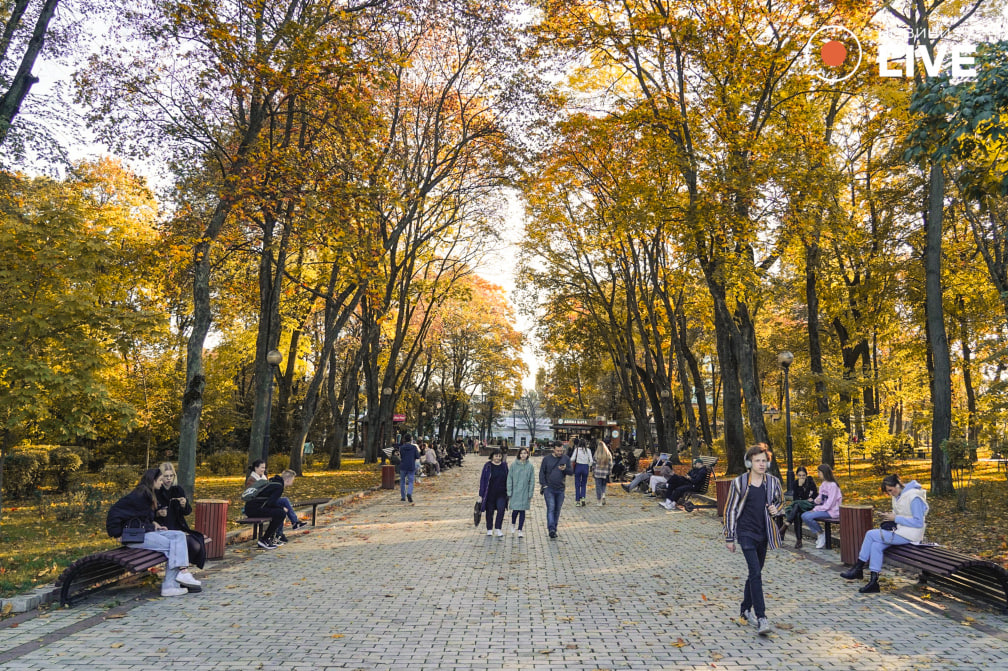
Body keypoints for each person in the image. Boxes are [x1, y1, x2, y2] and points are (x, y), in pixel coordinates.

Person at [106, 468, 201, 597]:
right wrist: (116, 533)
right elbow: (114, 512)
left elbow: (140, 516)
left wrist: (154, 524)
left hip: (145, 533)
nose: (162, 483)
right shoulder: (138, 496)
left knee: (178, 535)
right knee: (171, 545)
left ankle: (182, 573)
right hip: (135, 537)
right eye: (160, 480)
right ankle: (170, 585)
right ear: (153, 480)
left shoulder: (148, 494)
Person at [723, 444, 783, 636]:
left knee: (754, 573)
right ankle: (762, 618)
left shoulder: (773, 482)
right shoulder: (740, 483)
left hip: (763, 534)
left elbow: (780, 502)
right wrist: (730, 537)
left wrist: (776, 509)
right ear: (749, 463)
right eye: (757, 461)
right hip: (745, 533)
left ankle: (744, 609)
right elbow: (730, 509)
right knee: (756, 573)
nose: (761, 464)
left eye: (764, 461)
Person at [841, 474, 929, 593]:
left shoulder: (914, 497)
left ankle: (858, 568)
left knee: (870, 534)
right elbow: (900, 514)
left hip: (911, 535)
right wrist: (890, 519)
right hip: (900, 531)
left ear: (897, 485)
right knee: (875, 545)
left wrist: (895, 518)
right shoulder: (898, 496)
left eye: (891, 490)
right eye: (888, 492)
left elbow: (918, 522)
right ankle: (873, 582)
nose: (890, 494)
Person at [155, 461, 207, 569]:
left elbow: (187, 512)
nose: (169, 479)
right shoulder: (156, 491)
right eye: (166, 476)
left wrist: (184, 505)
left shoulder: (178, 490)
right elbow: (148, 514)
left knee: (197, 544)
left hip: (179, 525)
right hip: (163, 527)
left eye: (171, 476)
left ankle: (182, 568)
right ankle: (181, 569)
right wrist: (158, 513)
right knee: (191, 544)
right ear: (160, 477)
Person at [246, 460, 307, 531]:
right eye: (262, 468)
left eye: (264, 468)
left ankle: (295, 522)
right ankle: (280, 532)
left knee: (285, 500)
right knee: (280, 510)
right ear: (256, 468)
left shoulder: (264, 477)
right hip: (259, 504)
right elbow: (253, 493)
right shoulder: (252, 479)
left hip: (267, 500)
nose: (264, 469)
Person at [246, 469, 296, 549]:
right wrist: (282, 508)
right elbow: (270, 503)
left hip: (251, 508)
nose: (293, 482)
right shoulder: (279, 487)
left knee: (279, 513)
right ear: (288, 480)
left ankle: (270, 538)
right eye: (292, 480)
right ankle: (265, 539)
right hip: (255, 509)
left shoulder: (274, 482)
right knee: (281, 513)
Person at [800, 464, 841, 549]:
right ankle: (820, 533)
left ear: (824, 473)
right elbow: (820, 497)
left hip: (832, 511)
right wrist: (816, 500)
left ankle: (821, 534)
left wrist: (816, 509)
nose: (818, 474)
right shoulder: (823, 484)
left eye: (819, 472)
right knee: (804, 515)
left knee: (808, 516)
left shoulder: (833, 485)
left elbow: (830, 503)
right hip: (824, 509)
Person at [539, 441, 573, 538]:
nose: (560, 452)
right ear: (553, 449)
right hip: (549, 488)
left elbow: (571, 472)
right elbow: (542, 472)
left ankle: (554, 527)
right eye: (558, 451)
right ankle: (551, 529)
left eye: (561, 450)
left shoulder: (566, 459)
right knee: (551, 508)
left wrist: (565, 469)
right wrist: (544, 485)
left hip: (560, 488)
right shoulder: (546, 459)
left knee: (557, 510)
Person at [778, 466, 817, 544]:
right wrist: (799, 486)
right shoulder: (795, 483)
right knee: (797, 514)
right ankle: (799, 540)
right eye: (800, 475)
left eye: (803, 475)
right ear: (797, 475)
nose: (801, 477)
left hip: (808, 506)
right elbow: (796, 499)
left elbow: (814, 496)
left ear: (806, 475)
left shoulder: (810, 483)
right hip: (798, 507)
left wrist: (808, 497)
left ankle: (786, 525)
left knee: (797, 506)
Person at [478, 450, 509, 536]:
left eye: (499, 456)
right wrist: (481, 494)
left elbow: (508, 478)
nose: (498, 458)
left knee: (501, 509)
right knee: (490, 511)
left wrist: (509, 491)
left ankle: (498, 528)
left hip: (502, 492)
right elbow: (483, 480)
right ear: (492, 456)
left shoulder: (504, 466)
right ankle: (489, 528)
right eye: (496, 456)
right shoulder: (487, 466)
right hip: (490, 492)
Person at [507, 446, 536, 537]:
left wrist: (530, 492)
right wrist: (509, 490)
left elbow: (532, 480)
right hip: (515, 491)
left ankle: (520, 529)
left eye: (525, 453)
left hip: (525, 491)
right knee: (515, 510)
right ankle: (513, 524)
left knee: (522, 511)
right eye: (521, 453)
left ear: (527, 454)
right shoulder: (514, 465)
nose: (523, 455)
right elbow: (509, 478)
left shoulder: (530, 466)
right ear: (519, 454)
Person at [570, 438, 594, 506]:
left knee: (577, 484)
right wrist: (588, 465)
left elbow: (572, 459)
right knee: (583, 484)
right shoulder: (588, 450)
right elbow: (591, 460)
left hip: (578, 466)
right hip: (585, 467)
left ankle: (577, 501)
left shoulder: (577, 450)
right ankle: (583, 497)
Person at [398, 433, 420, 503]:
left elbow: (401, 456)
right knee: (410, 481)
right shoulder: (414, 447)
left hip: (403, 466)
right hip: (411, 466)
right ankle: (409, 493)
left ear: (404, 439)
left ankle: (403, 497)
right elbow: (417, 456)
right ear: (411, 439)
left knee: (402, 481)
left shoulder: (401, 447)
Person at [592, 440, 613, 506]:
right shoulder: (608, 454)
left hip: (597, 473)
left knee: (598, 486)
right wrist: (609, 471)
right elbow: (610, 464)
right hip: (605, 472)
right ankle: (603, 494)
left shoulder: (596, 454)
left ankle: (599, 501)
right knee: (603, 485)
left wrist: (593, 471)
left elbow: (593, 464)